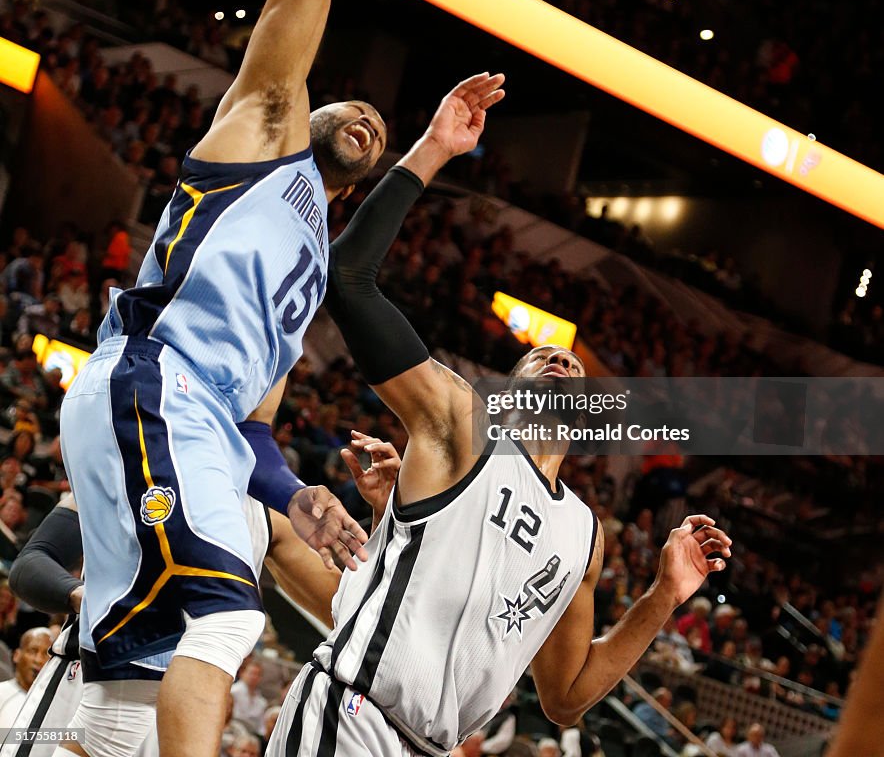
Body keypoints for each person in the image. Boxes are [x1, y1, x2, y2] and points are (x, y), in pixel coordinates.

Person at [59, 0, 527, 757]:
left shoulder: (311, 265)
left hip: (177, 418)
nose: (368, 117)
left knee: (124, 690)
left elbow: (256, 429)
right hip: (153, 384)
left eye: (379, 129)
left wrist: (297, 496)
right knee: (227, 619)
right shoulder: (261, 122)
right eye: (353, 105)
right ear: (302, 104)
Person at [267, 75, 732, 756]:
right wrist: (431, 149)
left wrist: (663, 594)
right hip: (354, 712)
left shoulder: (584, 535)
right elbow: (349, 280)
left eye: (571, 361)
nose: (560, 360)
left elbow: (566, 697)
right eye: (541, 356)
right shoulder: (461, 424)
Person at [3, 432, 400, 757]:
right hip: (88, 685)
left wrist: (386, 519)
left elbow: (348, 611)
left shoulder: (266, 514)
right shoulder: (132, 465)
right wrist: (83, 598)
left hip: (181, 716)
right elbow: (30, 566)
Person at [0, 627, 52, 730]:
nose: (38, 660)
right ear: (17, 655)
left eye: (46, 654)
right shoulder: (1, 692)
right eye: (33, 651)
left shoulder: (56, 702)